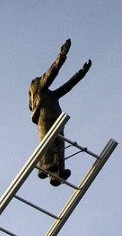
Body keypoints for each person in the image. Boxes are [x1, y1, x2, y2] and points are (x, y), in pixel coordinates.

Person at [29, 39, 91, 185]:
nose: (42, 78)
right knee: (48, 143)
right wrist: (62, 55)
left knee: (60, 145)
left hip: (57, 118)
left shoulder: (51, 95)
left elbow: (67, 86)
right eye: (40, 79)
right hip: (45, 119)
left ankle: (57, 173)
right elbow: (52, 73)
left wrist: (81, 73)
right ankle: (44, 166)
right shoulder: (39, 91)